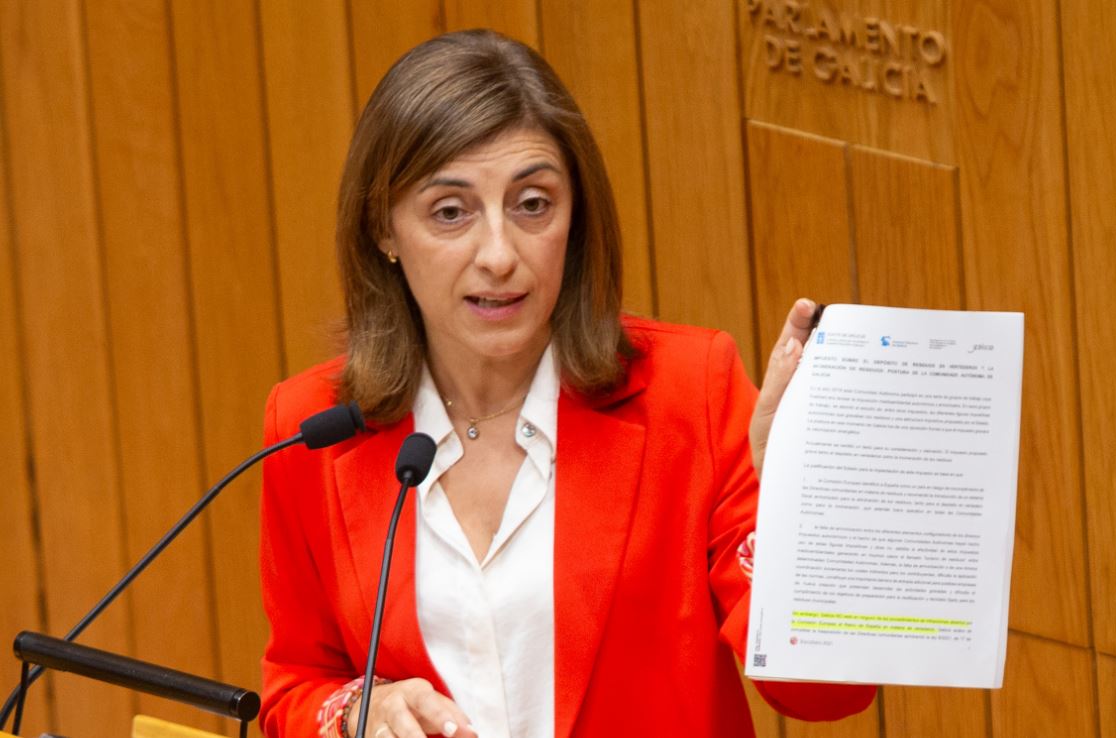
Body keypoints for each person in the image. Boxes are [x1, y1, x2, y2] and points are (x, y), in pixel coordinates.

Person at [258, 29, 875, 738]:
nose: (499, 255)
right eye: (450, 212)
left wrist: (799, 512)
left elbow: (827, 694)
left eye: (532, 204)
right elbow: (298, 684)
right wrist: (358, 713)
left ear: (574, 217)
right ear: (383, 230)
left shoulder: (689, 393)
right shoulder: (313, 426)